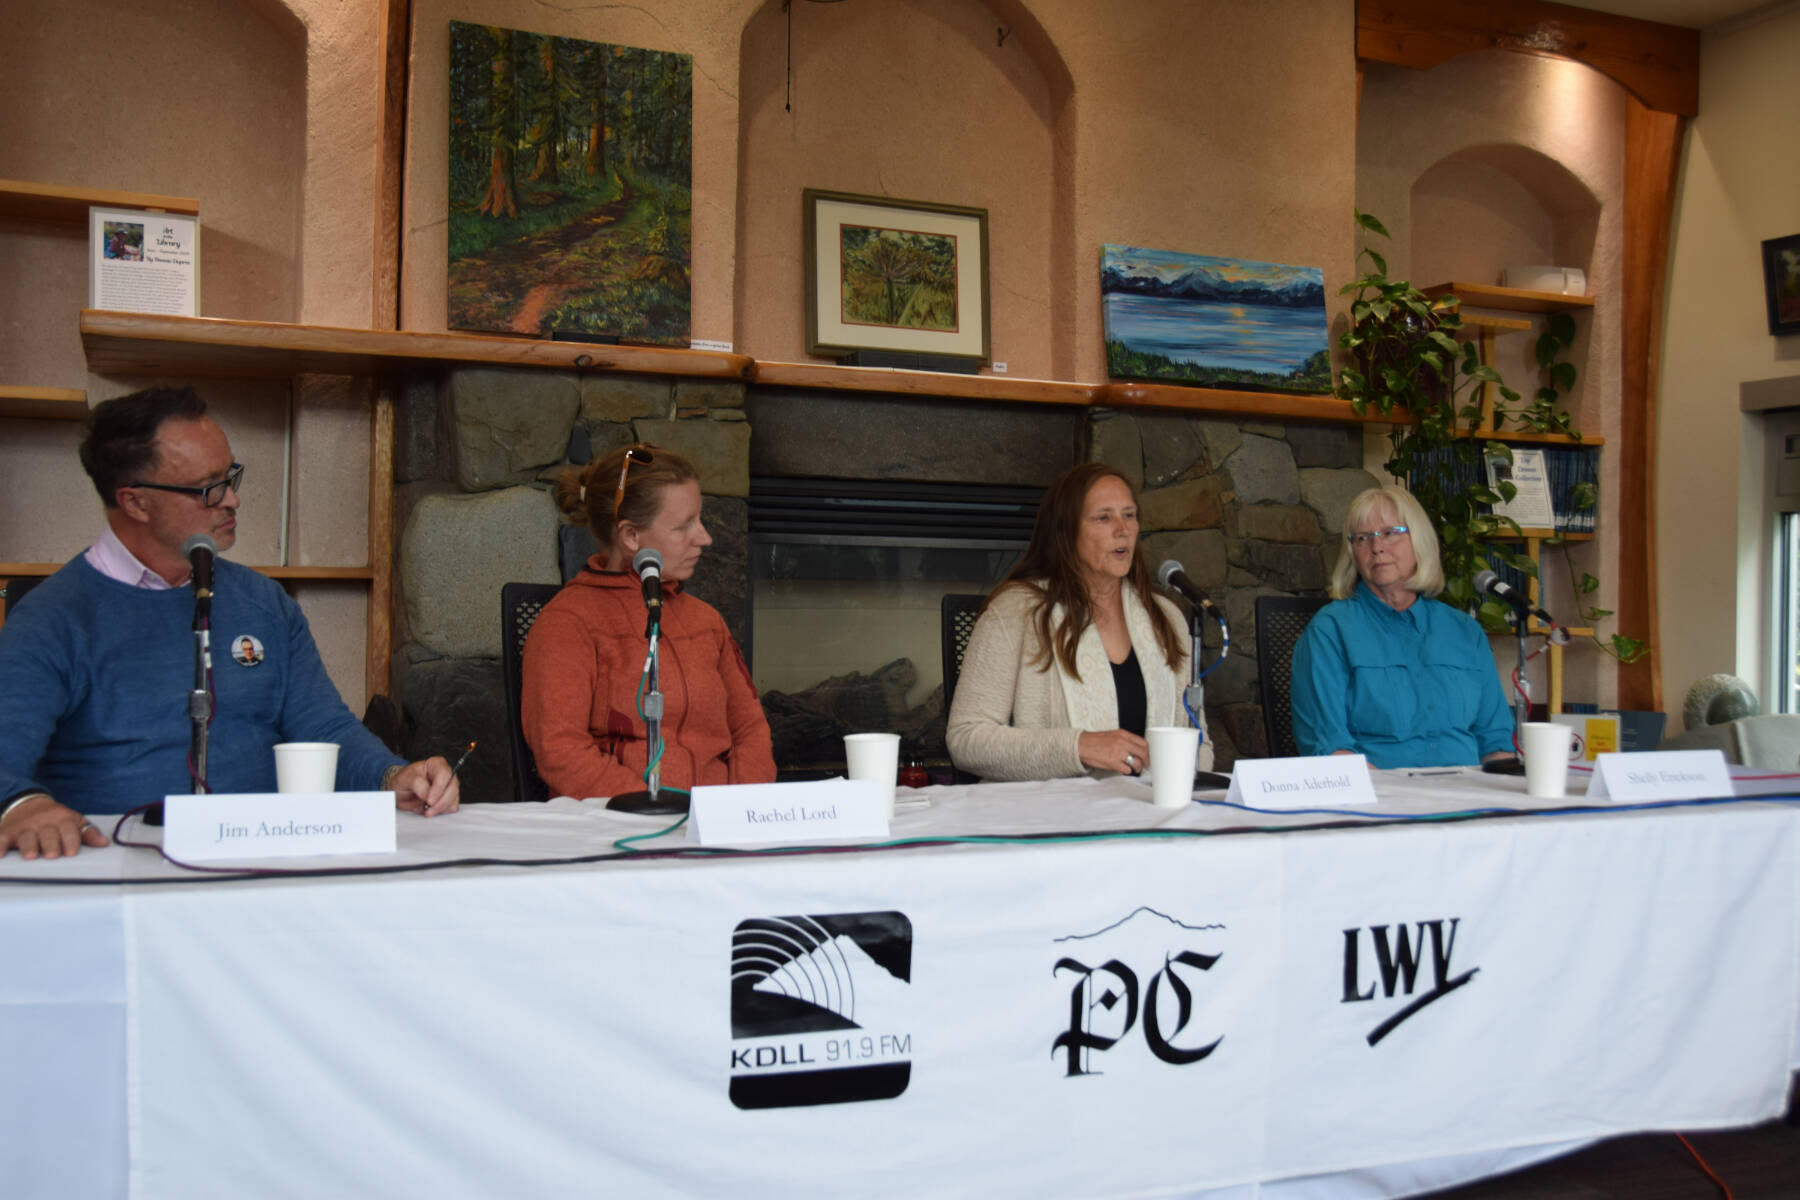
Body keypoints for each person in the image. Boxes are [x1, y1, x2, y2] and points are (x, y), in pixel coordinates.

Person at [0, 386, 459, 860]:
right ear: (135, 502)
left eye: (230, 477)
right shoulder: (52, 618)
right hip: (118, 869)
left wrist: (392, 776)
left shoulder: (263, 602)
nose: (232, 501)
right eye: (208, 488)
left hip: (266, 857)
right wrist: (21, 805)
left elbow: (321, 726)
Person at [522, 444, 775, 798]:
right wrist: (655, 813)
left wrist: (744, 808)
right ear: (631, 536)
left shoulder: (707, 621)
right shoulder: (567, 623)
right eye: (684, 525)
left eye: (699, 520)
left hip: (719, 829)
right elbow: (560, 752)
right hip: (623, 829)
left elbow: (750, 730)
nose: (705, 538)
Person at [947, 462, 1212, 782]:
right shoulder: (1014, 611)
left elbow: (1200, 743)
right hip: (1047, 819)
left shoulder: (1165, 616)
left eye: (1129, 515)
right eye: (1104, 517)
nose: (1123, 529)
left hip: (1145, 817)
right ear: (1065, 531)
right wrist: (1079, 746)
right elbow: (966, 739)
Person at [1289, 484, 1515, 768]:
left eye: (1389, 533)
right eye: (1362, 538)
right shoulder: (1330, 631)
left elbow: (1496, 742)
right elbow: (1331, 751)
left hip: (1468, 796)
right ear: (1352, 553)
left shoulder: (1464, 630)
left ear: (1419, 540)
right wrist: (1393, 802)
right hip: (1380, 800)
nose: (1376, 547)